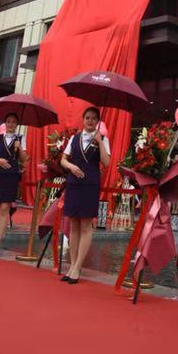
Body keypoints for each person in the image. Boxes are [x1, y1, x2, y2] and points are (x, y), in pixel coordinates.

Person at [60, 106, 110, 283]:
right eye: (87, 117)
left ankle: (77, 267)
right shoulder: (74, 138)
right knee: (74, 225)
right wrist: (71, 166)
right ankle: (72, 265)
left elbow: (106, 162)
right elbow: (63, 160)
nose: (90, 121)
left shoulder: (102, 138)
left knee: (86, 226)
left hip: (90, 185)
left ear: (98, 121)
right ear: (83, 119)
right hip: (74, 184)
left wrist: (100, 142)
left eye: (94, 118)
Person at [0, 114, 28, 257]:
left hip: (11, 176)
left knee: (4, 208)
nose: (11, 124)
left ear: (17, 124)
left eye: (13, 122)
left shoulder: (20, 138)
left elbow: (25, 159)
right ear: (5, 123)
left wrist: (19, 148)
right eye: (8, 121)